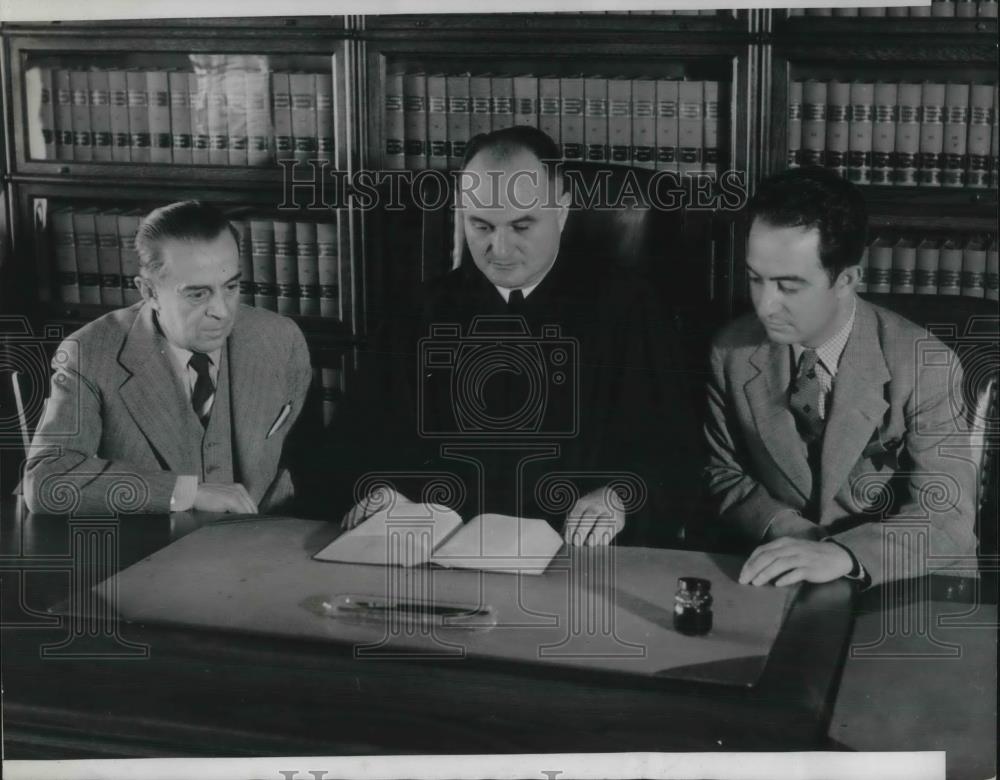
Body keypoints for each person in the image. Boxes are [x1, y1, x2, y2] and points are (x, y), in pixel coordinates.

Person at [317, 125, 701, 547]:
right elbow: (351, 447)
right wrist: (379, 491)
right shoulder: (418, 313)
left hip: (576, 562)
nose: (500, 251)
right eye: (481, 227)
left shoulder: (628, 309)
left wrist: (619, 497)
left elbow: (674, 458)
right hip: (436, 564)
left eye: (521, 227)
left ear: (561, 212)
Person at [705, 167, 977, 588]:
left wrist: (840, 554)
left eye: (788, 286)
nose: (764, 305)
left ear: (847, 279)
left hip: (906, 584)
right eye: (755, 278)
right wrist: (783, 527)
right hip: (783, 571)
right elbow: (721, 473)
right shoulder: (731, 351)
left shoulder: (925, 363)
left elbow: (946, 519)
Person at [23, 201, 313, 516]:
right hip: (150, 553)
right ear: (149, 292)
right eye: (197, 294)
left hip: (263, 548)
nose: (222, 311)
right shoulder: (90, 353)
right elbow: (46, 482)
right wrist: (185, 493)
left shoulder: (281, 340)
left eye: (230, 286)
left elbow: (306, 465)